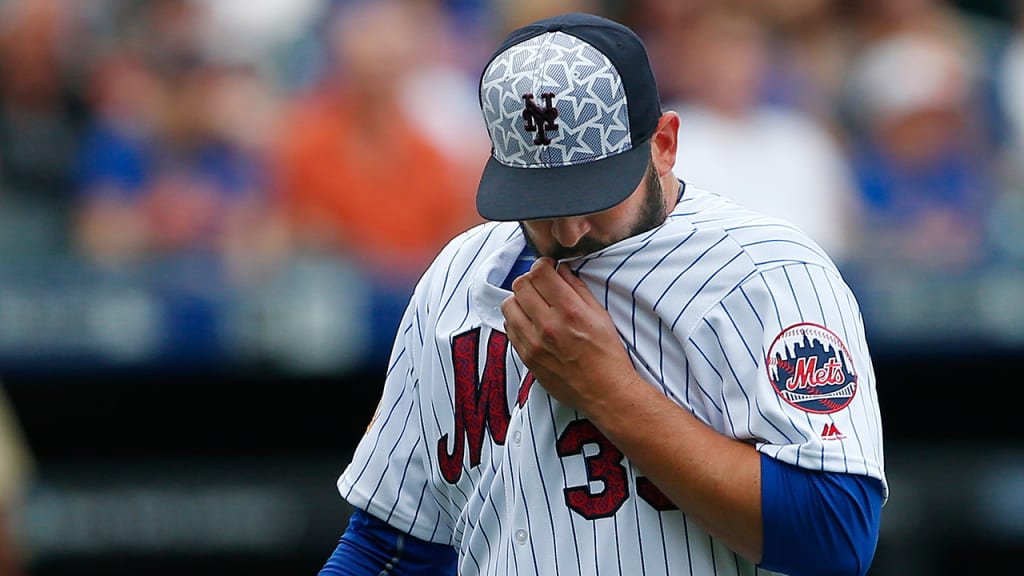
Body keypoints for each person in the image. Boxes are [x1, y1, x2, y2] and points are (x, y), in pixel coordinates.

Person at [318, 12, 887, 576]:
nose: (567, 232)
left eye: (593, 193)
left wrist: (608, 390)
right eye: (540, 201)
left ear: (663, 144)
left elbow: (836, 537)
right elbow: (390, 549)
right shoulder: (457, 275)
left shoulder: (770, 272)